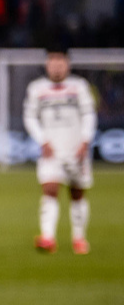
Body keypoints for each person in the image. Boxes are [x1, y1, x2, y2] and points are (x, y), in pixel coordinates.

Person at [24, 47, 96, 254]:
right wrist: (42, 140)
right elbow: (29, 117)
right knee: (50, 189)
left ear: (67, 64)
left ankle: (79, 238)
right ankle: (48, 237)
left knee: (77, 193)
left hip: (76, 149)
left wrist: (85, 141)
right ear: (47, 64)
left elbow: (89, 114)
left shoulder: (79, 86)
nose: (56, 65)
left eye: (60, 61)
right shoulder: (37, 88)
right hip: (51, 150)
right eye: (52, 61)